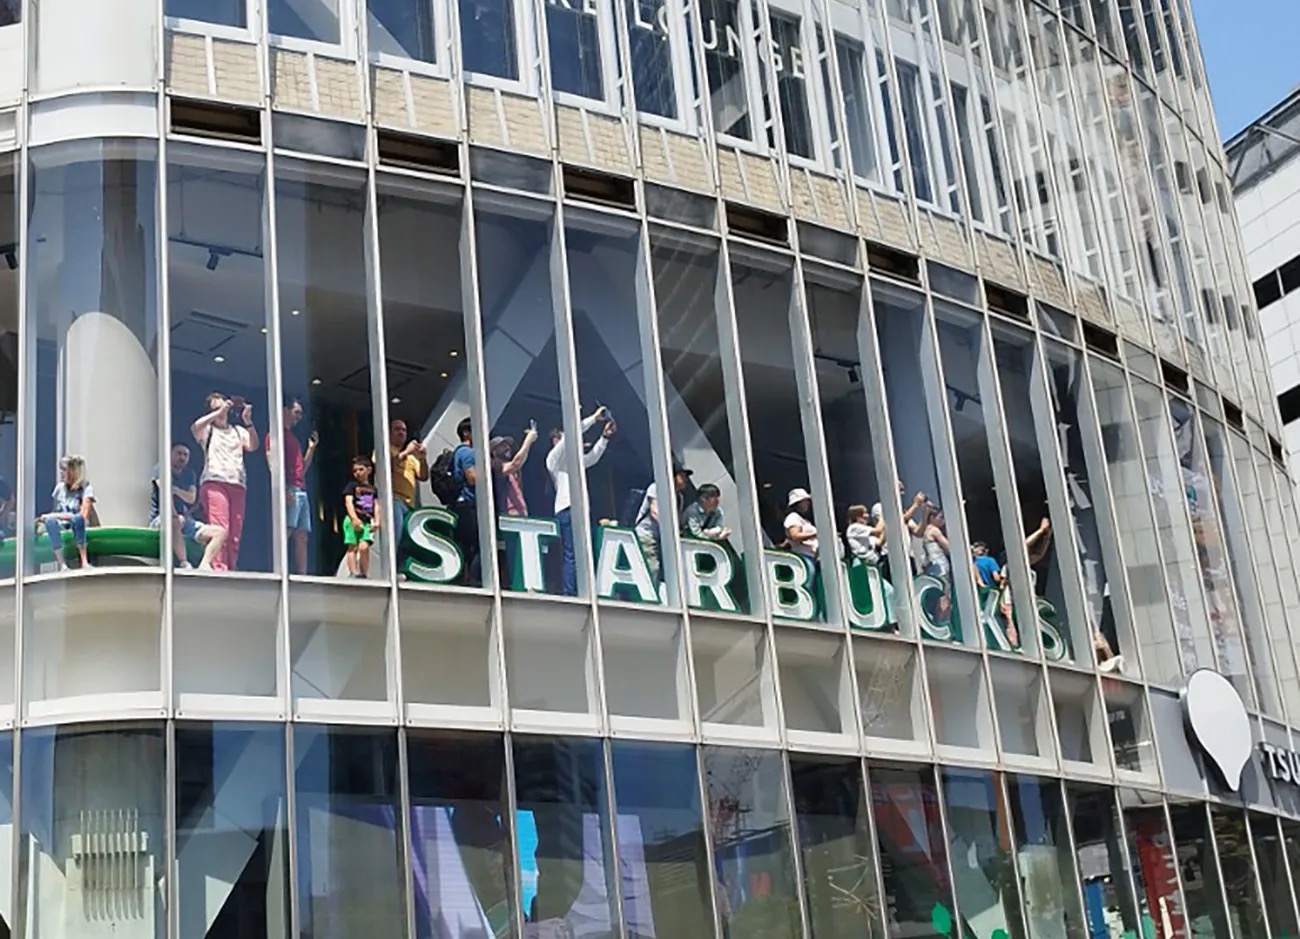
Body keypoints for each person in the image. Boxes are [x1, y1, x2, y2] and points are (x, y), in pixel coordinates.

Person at [546, 406, 615, 596]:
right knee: (571, 554)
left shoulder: (575, 462)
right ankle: (571, 592)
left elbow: (592, 458)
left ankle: (584, 589)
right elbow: (571, 436)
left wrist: (605, 438)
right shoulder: (553, 460)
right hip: (567, 509)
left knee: (582, 553)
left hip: (580, 510)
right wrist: (593, 418)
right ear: (555, 441)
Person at [192, 392, 259, 571]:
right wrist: (217, 412)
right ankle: (219, 567)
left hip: (237, 484)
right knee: (221, 527)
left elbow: (253, 445)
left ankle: (231, 566)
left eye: (224, 407)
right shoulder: (208, 430)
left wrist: (248, 421)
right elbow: (196, 427)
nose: (222, 412)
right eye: (216, 408)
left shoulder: (238, 431)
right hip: (215, 482)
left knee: (235, 532)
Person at [151, 442, 226, 570]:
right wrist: (174, 514)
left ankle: (204, 565)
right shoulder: (161, 469)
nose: (182, 457)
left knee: (220, 532)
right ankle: (184, 563)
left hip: (185, 520)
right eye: (179, 453)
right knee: (174, 522)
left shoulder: (189, 474)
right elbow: (165, 493)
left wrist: (176, 490)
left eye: (185, 455)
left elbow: (191, 498)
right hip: (161, 519)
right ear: (170, 454)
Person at [266, 396, 318, 574]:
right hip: (290, 488)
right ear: (284, 410)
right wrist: (282, 488)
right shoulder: (274, 435)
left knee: (302, 535)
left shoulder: (292, 438)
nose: (298, 417)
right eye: (296, 413)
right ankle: (278, 569)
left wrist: (311, 448)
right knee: (287, 529)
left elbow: (301, 469)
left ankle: (302, 573)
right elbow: (272, 462)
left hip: (300, 489)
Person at [634, 463, 693, 581]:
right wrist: (670, 530)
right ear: (673, 476)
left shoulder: (679, 497)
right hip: (646, 534)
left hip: (663, 538)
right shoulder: (656, 487)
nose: (686, 479)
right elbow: (655, 512)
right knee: (652, 567)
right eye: (682, 476)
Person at [39, 455, 94, 571]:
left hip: (78, 525)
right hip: (62, 525)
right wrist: (52, 517)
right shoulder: (59, 489)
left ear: (74, 471)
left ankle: (84, 561)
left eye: (64, 470)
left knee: (77, 519)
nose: (61, 473)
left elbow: (83, 516)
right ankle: (62, 564)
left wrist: (55, 516)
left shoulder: (86, 488)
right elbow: (55, 510)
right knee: (50, 522)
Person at [451, 417, 480, 586]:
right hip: (469, 504)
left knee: (464, 544)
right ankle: (473, 581)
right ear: (466, 433)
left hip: (460, 504)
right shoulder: (468, 453)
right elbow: (472, 478)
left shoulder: (457, 452)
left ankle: (464, 579)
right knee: (476, 545)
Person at [342, 455, 380, 578]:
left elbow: (377, 505)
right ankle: (353, 572)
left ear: (369, 470)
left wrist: (377, 520)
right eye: (355, 471)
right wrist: (354, 518)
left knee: (364, 547)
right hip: (353, 520)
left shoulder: (373, 489)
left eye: (360, 469)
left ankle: (363, 573)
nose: (357, 473)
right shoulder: (352, 486)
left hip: (366, 522)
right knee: (352, 546)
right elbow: (348, 502)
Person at [920, 505, 952, 624]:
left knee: (935, 595)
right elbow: (948, 547)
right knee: (944, 595)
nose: (943, 521)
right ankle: (942, 622)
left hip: (931, 566)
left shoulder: (926, 530)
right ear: (932, 517)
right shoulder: (934, 530)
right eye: (941, 517)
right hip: (940, 565)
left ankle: (935, 620)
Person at [783, 488, 819, 561]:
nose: (808, 504)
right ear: (798, 504)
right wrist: (816, 534)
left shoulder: (805, 520)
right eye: (805, 501)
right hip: (803, 557)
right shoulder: (793, 517)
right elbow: (795, 536)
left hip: (812, 557)